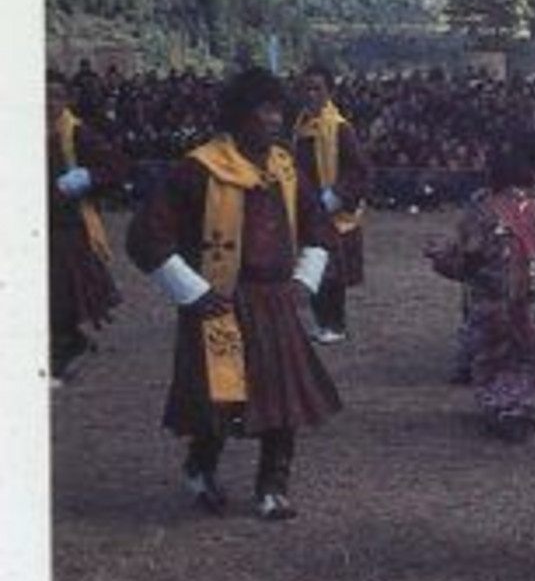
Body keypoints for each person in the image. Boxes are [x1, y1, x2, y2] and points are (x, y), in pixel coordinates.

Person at [126, 67, 341, 522]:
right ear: (239, 117)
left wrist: (305, 278)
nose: (275, 119)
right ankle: (201, 468)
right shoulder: (198, 169)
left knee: (282, 400)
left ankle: (273, 488)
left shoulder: (285, 167)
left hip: (277, 301)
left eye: (278, 110)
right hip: (219, 303)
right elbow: (146, 236)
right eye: (264, 110)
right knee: (218, 399)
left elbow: (318, 226)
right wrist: (194, 291)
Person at [426, 132, 535, 441]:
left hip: (499, 311)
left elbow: (465, 263)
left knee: (494, 358)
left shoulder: (483, 211)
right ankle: (533, 404)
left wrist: (439, 259)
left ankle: (509, 410)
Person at [47, 69, 124, 383]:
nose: (49, 103)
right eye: (43, 96)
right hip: (33, 223)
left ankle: (65, 352)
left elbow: (116, 165)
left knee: (61, 298)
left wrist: (84, 178)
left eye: (56, 96)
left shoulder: (78, 133)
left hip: (68, 227)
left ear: (67, 100)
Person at [292, 65, 371, 344]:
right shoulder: (299, 127)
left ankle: (335, 325)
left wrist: (333, 197)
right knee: (311, 266)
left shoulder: (339, 128)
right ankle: (320, 322)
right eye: (306, 89)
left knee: (332, 273)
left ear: (329, 92)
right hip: (307, 208)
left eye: (317, 89)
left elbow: (359, 170)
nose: (311, 95)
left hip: (332, 210)